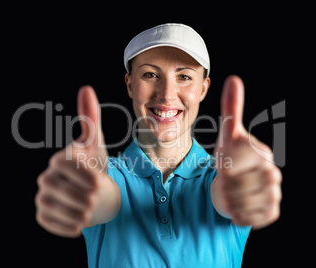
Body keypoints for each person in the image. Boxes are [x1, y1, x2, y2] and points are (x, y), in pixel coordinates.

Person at [35, 23, 282, 267]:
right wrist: (87, 196)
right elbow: (103, 199)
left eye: (184, 76)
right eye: (151, 75)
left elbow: (226, 195)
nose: (166, 94)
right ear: (130, 84)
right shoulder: (101, 174)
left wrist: (246, 187)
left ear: (203, 88)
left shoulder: (223, 175)